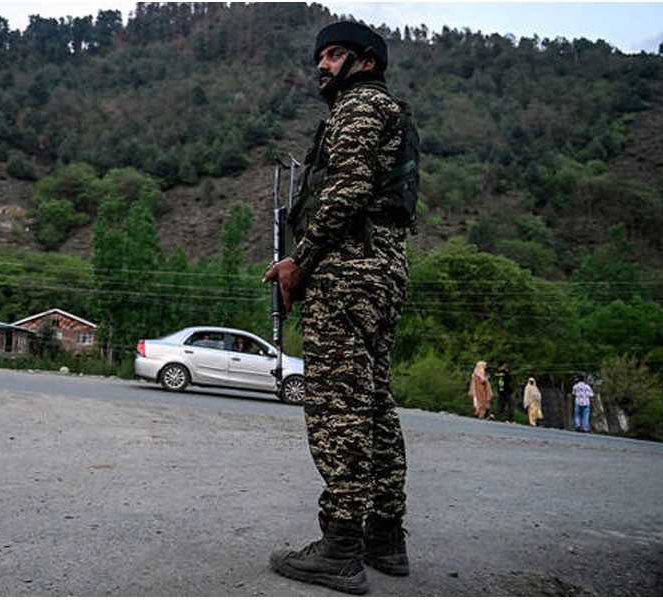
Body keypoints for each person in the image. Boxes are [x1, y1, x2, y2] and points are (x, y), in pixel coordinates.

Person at [262, 21, 412, 595]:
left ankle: (341, 546)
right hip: (383, 269)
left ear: (366, 61)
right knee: (372, 402)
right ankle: (385, 537)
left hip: (347, 272)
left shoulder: (359, 106)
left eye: (335, 54)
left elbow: (345, 188)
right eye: (320, 56)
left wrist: (300, 258)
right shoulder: (385, 111)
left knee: (337, 405)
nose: (322, 66)